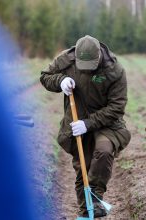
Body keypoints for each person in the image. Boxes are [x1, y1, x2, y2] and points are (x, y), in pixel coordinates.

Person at [40, 35, 131, 218]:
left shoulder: (114, 70)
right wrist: (60, 81)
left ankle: (95, 198)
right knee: (83, 167)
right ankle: (86, 213)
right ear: (76, 57)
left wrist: (88, 124)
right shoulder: (66, 59)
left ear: (99, 56)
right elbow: (45, 76)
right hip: (76, 119)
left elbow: (117, 107)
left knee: (104, 151)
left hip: (107, 124)